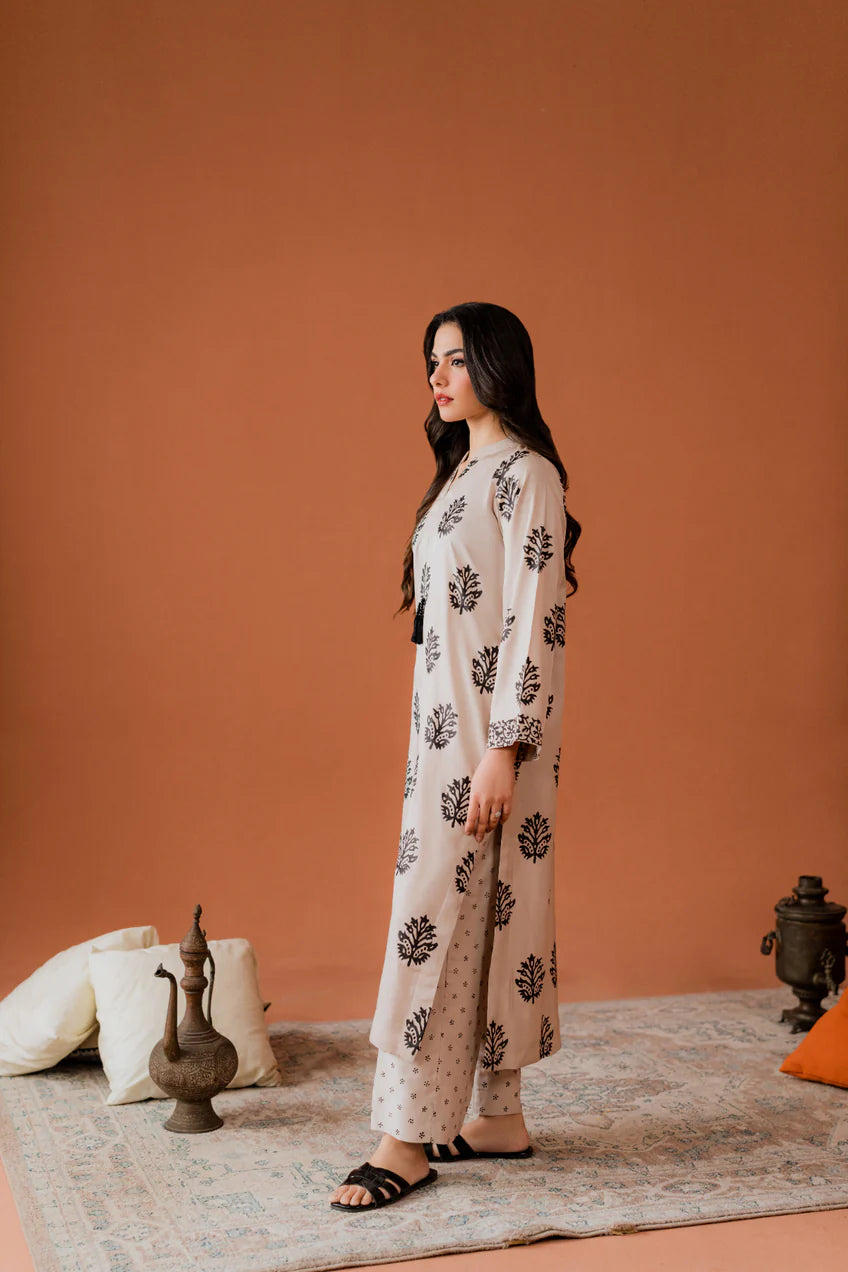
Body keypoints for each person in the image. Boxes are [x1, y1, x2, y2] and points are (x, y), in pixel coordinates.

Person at [330, 301, 581, 1211]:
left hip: (490, 737)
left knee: (436, 914)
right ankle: (498, 1119)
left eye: (455, 360)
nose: (437, 378)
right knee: (486, 909)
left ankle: (403, 1141)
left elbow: (535, 618)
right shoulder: (461, 476)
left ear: (497, 366)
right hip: (440, 737)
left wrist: (504, 749)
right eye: (432, 362)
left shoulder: (528, 475)